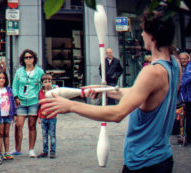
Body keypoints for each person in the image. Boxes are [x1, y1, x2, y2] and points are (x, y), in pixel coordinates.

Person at [40, 12, 179, 172]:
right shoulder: (174, 65)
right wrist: (106, 91)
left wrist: (71, 106)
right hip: (162, 158)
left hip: (144, 162)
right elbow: (140, 94)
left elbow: (117, 113)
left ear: (153, 36)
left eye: (143, 30)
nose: (141, 34)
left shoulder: (152, 72)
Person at [11, 49, 44, 157]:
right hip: (21, 102)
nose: (28, 59)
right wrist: (15, 97)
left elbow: (43, 85)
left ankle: (31, 149)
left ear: (34, 59)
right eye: (26, 57)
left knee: (32, 125)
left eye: (30, 57)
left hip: (33, 102)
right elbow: (14, 85)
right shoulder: (19, 72)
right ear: (23, 59)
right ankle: (17, 148)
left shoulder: (39, 71)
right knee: (18, 125)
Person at [37, 74, 58, 159]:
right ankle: (45, 151)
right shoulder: (40, 92)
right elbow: (40, 105)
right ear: (42, 83)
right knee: (44, 135)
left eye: (49, 81)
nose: (48, 83)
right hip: (43, 117)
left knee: (52, 135)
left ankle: (52, 151)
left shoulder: (54, 92)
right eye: (45, 82)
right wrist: (39, 116)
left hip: (52, 116)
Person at [179, 53, 191, 143]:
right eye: (181, 59)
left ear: (188, 59)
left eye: (184, 59)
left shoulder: (189, 67)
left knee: (189, 117)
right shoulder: (182, 68)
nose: (183, 60)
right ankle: (187, 136)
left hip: (189, 97)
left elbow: (186, 80)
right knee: (186, 117)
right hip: (186, 98)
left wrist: (179, 83)